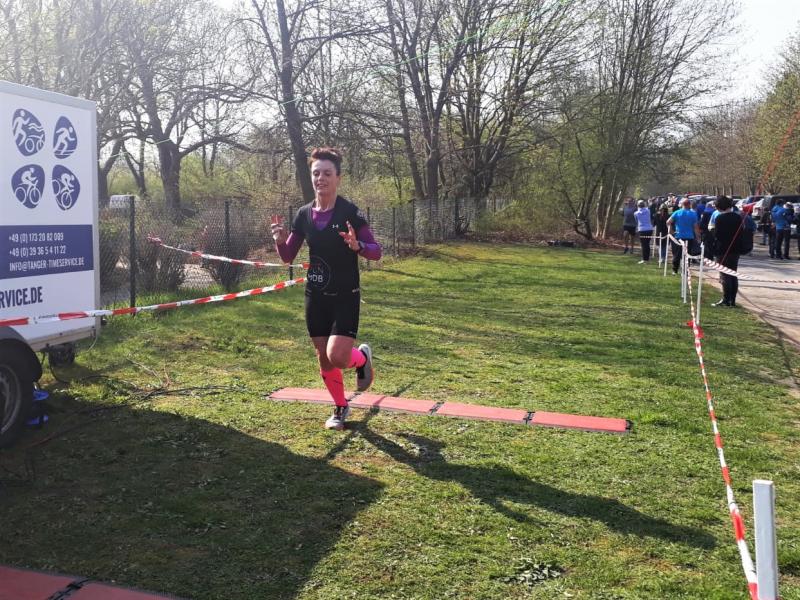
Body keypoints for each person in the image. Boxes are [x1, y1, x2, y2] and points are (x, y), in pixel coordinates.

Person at [271, 147, 382, 430]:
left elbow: (376, 251)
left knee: (338, 356)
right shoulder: (303, 214)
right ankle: (340, 406)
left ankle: (361, 358)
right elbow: (287, 256)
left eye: (327, 173)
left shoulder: (349, 213)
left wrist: (358, 245)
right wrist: (279, 240)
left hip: (345, 295)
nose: (321, 178)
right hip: (316, 296)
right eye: (316, 173)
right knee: (323, 356)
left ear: (338, 178)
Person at [710, 196, 743, 307]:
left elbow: (717, 235)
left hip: (722, 250)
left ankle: (726, 300)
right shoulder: (738, 217)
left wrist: (712, 231)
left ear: (720, 206)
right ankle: (732, 300)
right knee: (733, 274)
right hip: (735, 249)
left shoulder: (720, 218)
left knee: (724, 275)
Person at [667, 198, 700, 275]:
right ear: (689, 205)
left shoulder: (677, 212)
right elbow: (695, 227)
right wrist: (698, 237)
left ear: (682, 204)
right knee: (687, 254)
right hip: (689, 237)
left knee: (677, 254)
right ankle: (685, 271)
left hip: (678, 236)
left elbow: (668, 222)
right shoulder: (693, 214)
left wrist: (671, 231)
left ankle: (675, 270)